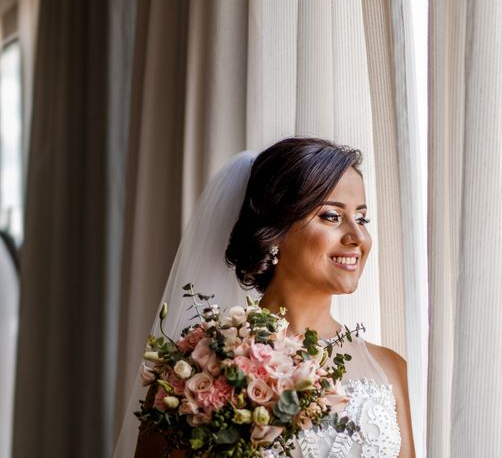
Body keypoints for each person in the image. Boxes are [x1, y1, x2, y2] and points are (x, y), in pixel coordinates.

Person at [121, 138, 415, 457]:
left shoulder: (391, 369)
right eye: (332, 216)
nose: (358, 237)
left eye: (361, 219)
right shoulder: (200, 369)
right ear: (277, 230)